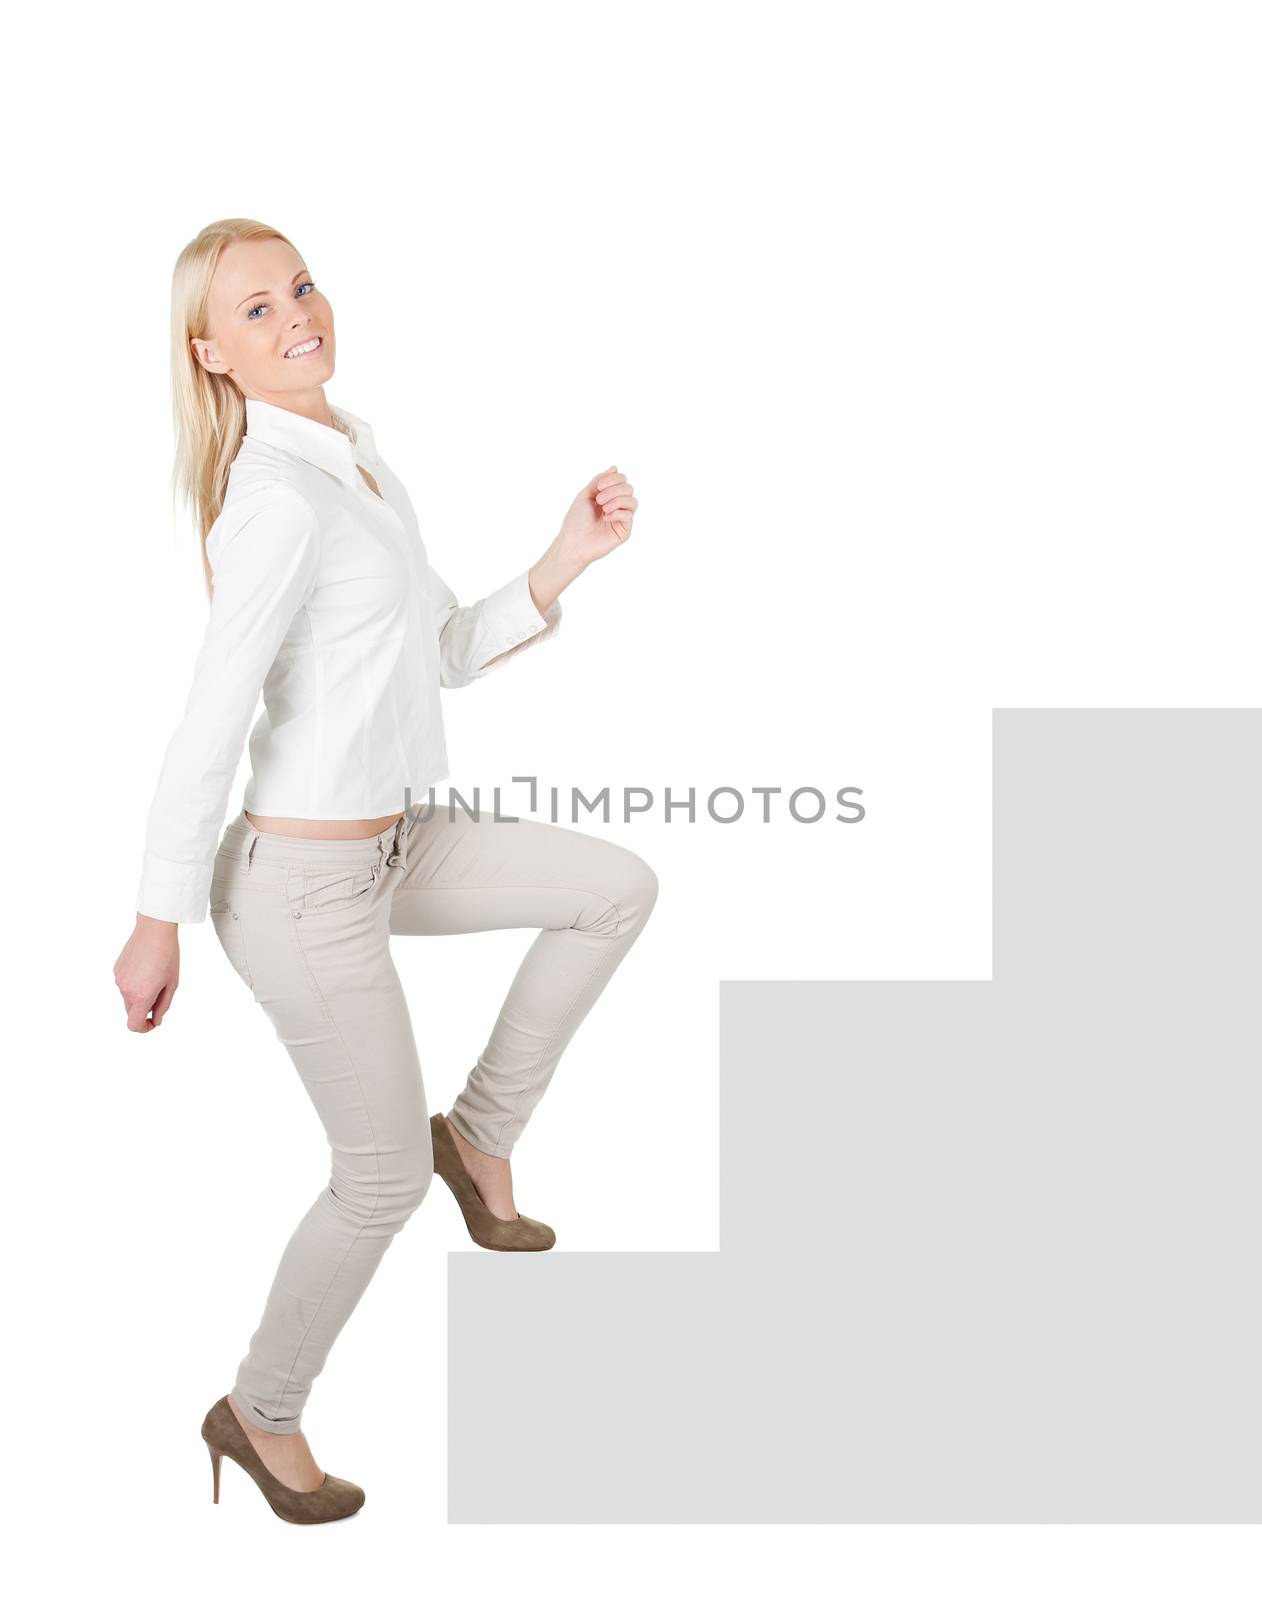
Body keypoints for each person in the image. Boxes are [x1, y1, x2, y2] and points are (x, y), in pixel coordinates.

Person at [112, 218, 659, 1523]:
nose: (295, 312)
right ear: (212, 354)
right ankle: (259, 1410)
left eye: (299, 284)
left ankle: (476, 1137)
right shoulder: (275, 499)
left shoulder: (353, 460)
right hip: (298, 891)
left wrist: (561, 562)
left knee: (613, 887)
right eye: (255, 308)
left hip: (395, 841)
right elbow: (209, 714)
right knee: (372, 1181)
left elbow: (444, 653)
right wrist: (156, 919)